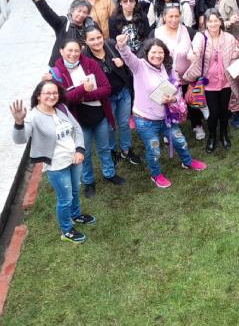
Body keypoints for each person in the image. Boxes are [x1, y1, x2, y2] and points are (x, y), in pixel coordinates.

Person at [115, 35, 207, 188]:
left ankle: (188, 162)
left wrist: (173, 99)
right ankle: (156, 175)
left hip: (166, 118)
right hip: (145, 120)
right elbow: (127, 56)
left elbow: (175, 89)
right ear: (146, 53)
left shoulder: (167, 68)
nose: (157, 55)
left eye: (160, 53)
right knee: (154, 150)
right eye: (153, 52)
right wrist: (122, 46)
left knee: (180, 141)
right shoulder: (139, 66)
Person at [10, 81, 95, 243]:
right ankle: (66, 230)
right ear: (38, 96)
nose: (51, 96)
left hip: (75, 159)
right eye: (47, 93)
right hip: (57, 166)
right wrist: (19, 123)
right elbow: (20, 139)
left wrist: (79, 149)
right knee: (65, 199)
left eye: (54, 93)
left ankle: (76, 215)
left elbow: (76, 128)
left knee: (76, 189)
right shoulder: (33, 117)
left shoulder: (61, 108)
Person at [50, 39, 123, 197]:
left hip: (99, 115)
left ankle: (110, 173)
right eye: (69, 50)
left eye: (76, 50)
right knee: (85, 153)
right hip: (78, 122)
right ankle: (89, 182)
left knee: (104, 148)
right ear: (61, 51)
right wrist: (83, 89)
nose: (73, 54)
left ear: (81, 50)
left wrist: (83, 97)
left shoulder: (90, 64)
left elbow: (106, 88)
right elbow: (63, 100)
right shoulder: (57, 73)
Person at [184, 8, 239, 153]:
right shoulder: (200, 37)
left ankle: (223, 135)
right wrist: (193, 54)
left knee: (224, 111)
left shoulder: (229, 38)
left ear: (220, 21)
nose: (213, 24)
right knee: (213, 113)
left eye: (216, 20)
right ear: (206, 23)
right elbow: (193, 51)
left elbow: (237, 54)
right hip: (209, 83)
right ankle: (211, 137)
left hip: (226, 82)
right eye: (210, 21)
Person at [83, 26, 141, 166]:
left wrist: (123, 63)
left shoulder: (111, 45)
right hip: (106, 98)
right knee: (109, 127)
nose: (96, 42)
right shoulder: (84, 58)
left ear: (103, 37)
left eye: (98, 37)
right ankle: (112, 151)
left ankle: (126, 150)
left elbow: (131, 60)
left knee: (124, 123)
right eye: (92, 39)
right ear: (85, 41)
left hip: (123, 92)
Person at [149, 3, 205, 141]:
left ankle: (197, 125)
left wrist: (195, 52)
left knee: (192, 101)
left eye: (177, 16)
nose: (174, 19)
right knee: (168, 104)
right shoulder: (156, 33)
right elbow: (148, 51)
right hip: (166, 77)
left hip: (188, 76)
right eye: (170, 16)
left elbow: (200, 41)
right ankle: (170, 129)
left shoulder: (188, 31)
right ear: (163, 17)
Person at [21, 0, 95, 67]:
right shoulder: (63, 23)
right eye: (79, 11)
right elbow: (48, 13)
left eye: (85, 12)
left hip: (80, 65)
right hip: (60, 66)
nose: (81, 14)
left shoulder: (91, 26)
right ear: (72, 11)